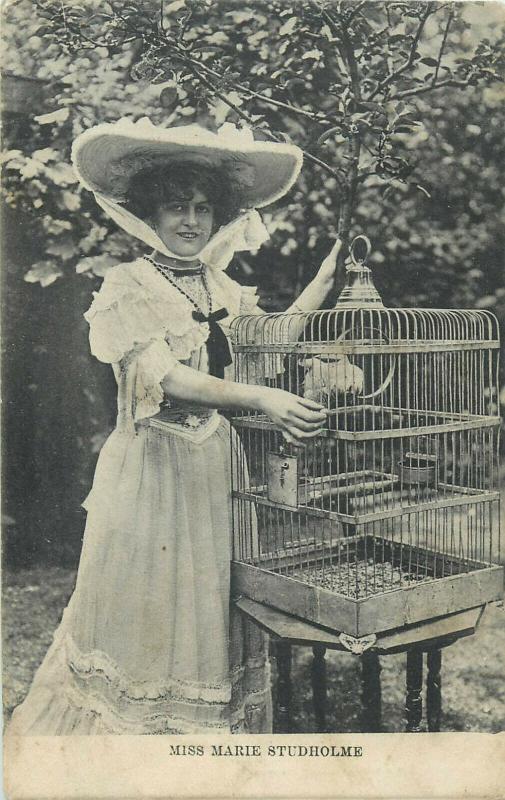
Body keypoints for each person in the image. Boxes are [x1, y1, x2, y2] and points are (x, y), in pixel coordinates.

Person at [8, 118, 357, 735]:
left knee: (209, 603)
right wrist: (261, 399)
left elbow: (263, 347)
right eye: (176, 207)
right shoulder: (128, 285)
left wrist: (323, 281)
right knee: (147, 610)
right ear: (150, 213)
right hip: (153, 470)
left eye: (202, 208)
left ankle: (203, 742)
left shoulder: (220, 284)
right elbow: (166, 378)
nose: (191, 221)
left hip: (215, 465)